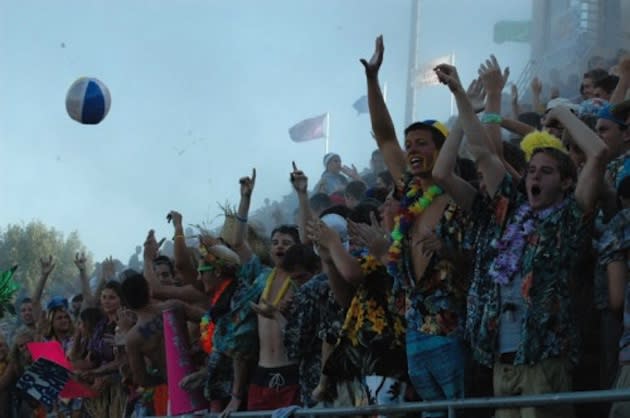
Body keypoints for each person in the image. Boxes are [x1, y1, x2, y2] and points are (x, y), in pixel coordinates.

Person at [433, 55, 607, 418]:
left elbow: (598, 153)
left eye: (546, 172)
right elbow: (480, 152)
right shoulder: (505, 213)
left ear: (565, 181)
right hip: (501, 359)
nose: (535, 178)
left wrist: (560, 113)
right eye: (530, 171)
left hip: (544, 357)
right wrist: (461, 96)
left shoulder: (569, 218)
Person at [361, 35, 472, 417]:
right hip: (414, 327)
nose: (411, 150)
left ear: (442, 150)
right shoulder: (408, 190)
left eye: (421, 143)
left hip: (452, 327)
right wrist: (373, 80)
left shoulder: (458, 196)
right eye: (411, 145)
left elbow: (478, 259)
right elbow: (384, 135)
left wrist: (449, 253)